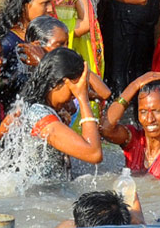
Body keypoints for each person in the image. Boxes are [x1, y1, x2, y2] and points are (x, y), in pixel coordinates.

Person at [9, 47, 103, 182]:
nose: (74, 97)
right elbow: (94, 154)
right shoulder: (39, 115)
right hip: (39, 196)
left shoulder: (48, 109)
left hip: (51, 193)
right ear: (57, 83)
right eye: (73, 91)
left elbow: (104, 93)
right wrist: (82, 98)